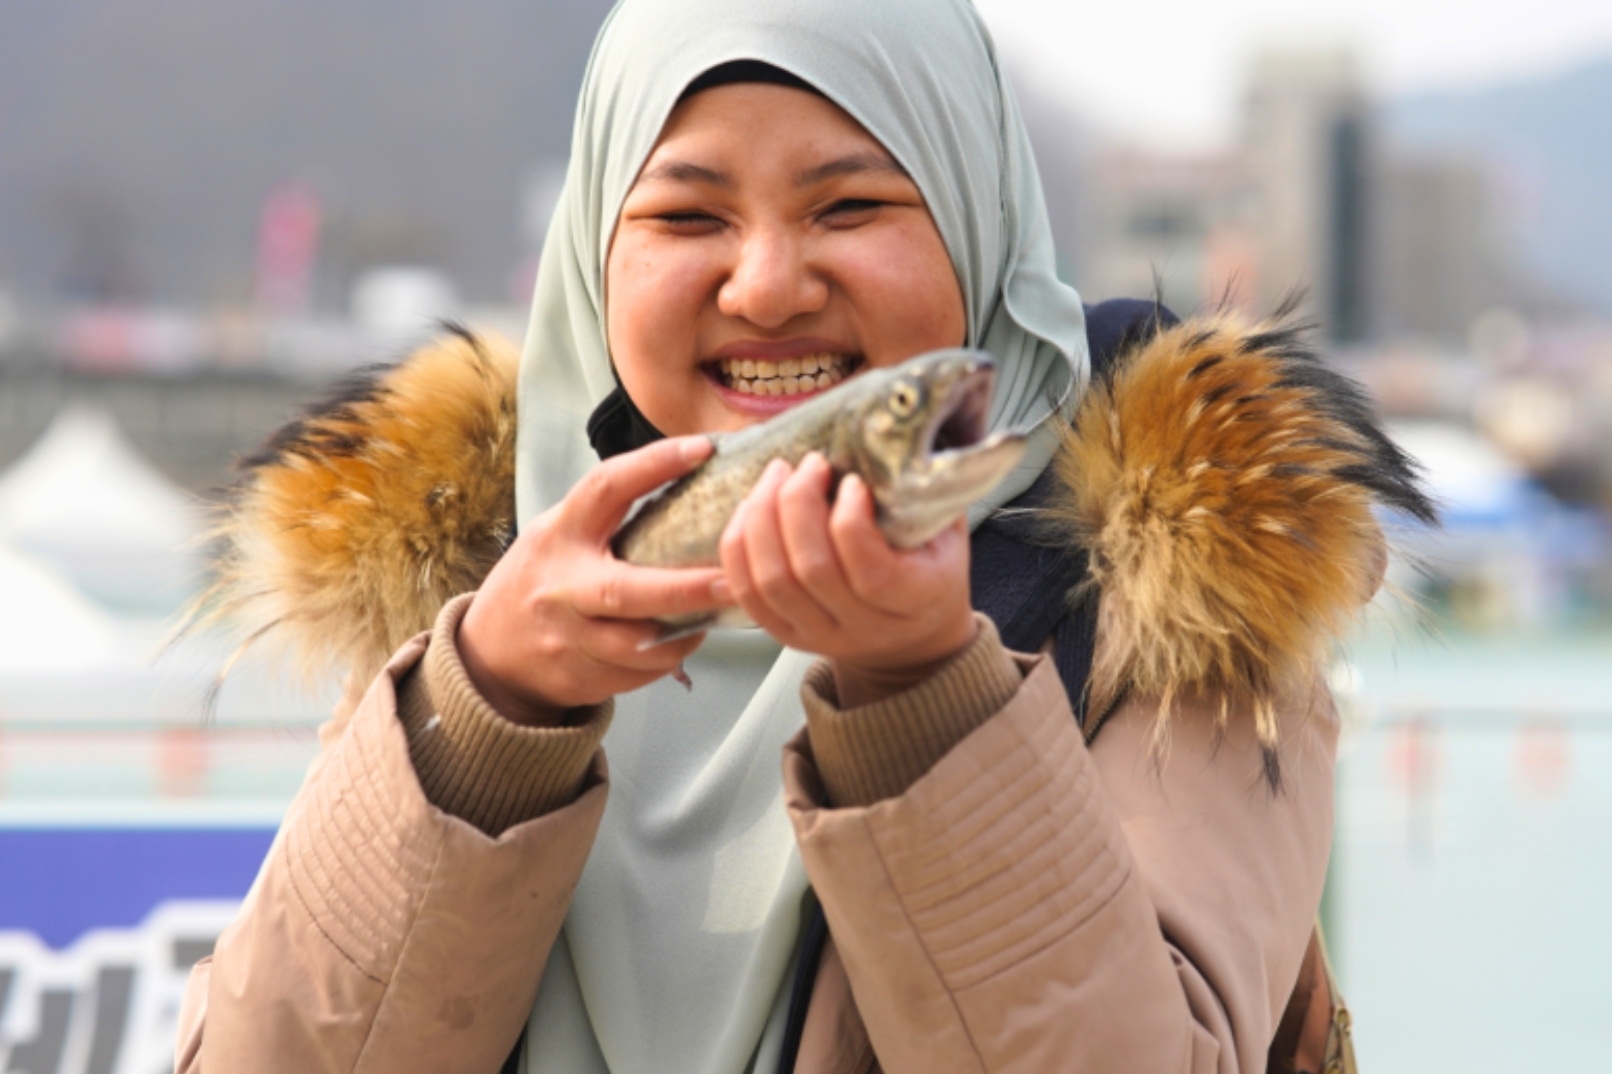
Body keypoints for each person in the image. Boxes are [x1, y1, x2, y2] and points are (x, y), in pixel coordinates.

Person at [176, 1, 1428, 1071]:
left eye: (849, 206)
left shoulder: (1174, 590)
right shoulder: (473, 575)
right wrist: (487, 710)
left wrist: (924, 697)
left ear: (980, 227)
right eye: (686, 217)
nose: (766, 284)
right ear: (591, 260)